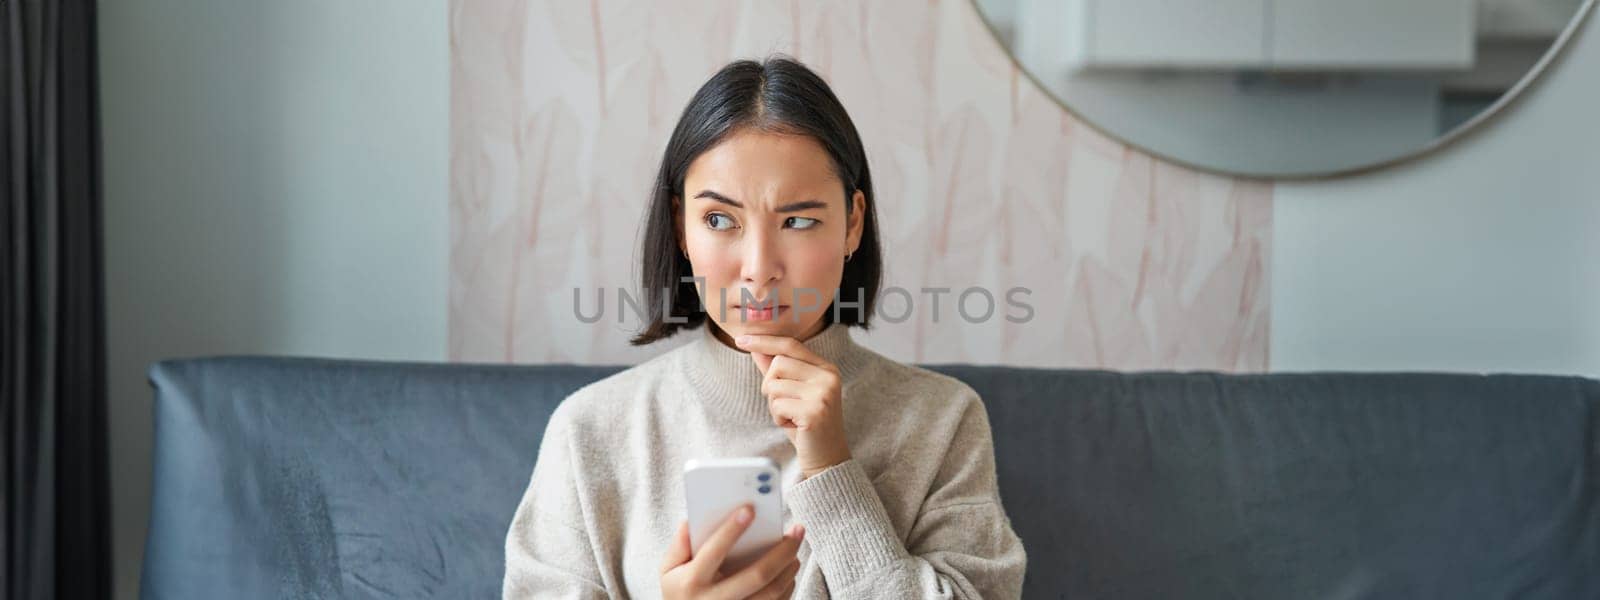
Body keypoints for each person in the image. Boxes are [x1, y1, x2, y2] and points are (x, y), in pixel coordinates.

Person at [503, 55, 1027, 599]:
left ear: (852, 223)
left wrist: (832, 471)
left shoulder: (943, 421)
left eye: (798, 220)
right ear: (682, 227)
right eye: (719, 220)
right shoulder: (590, 431)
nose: (758, 266)